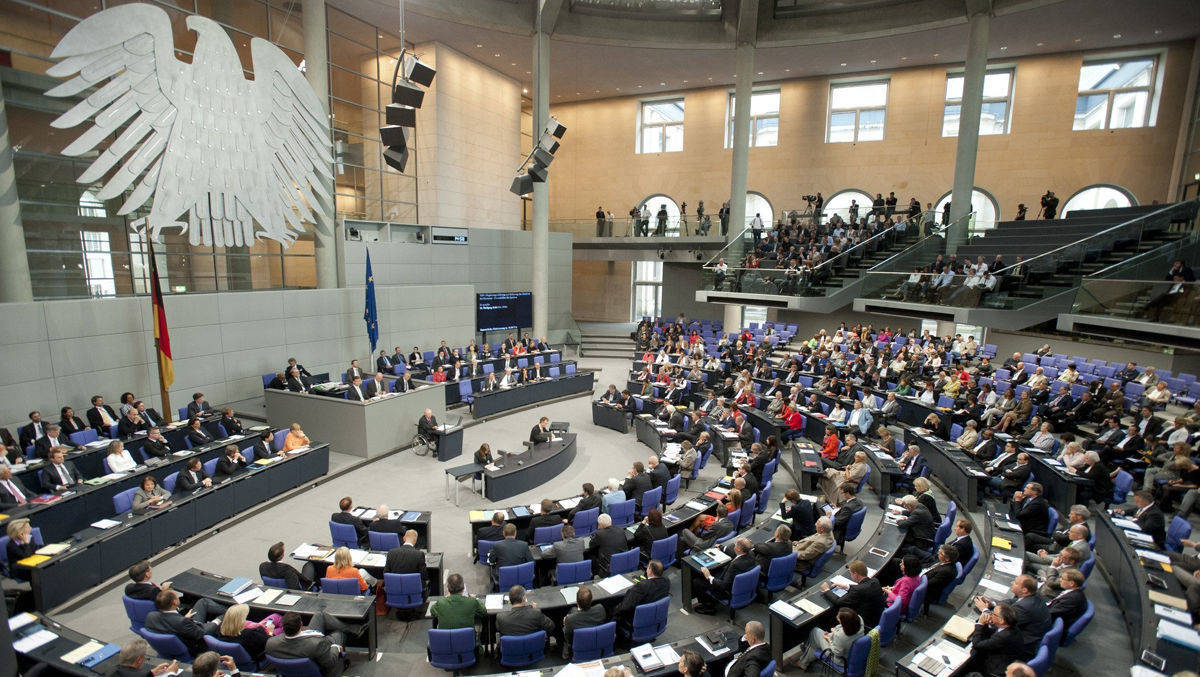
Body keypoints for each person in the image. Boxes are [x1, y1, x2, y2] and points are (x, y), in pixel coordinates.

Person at [264, 611, 355, 677]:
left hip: (294, 665)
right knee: (338, 634)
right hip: (319, 665)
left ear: (283, 628)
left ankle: (356, 629)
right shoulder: (317, 644)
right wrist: (336, 648)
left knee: (319, 615)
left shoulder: (270, 643)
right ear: (301, 625)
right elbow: (330, 662)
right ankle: (342, 666)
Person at [145, 589, 222, 657]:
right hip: (195, 645)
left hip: (185, 630)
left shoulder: (151, 616)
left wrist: (183, 618)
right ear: (174, 602)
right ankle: (230, 610)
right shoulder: (181, 622)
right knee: (223, 617)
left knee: (203, 602)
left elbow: (171, 624)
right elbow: (202, 632)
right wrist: (216, 621)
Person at [695, 537, 758, 614]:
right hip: (740, 585)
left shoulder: (735, 565)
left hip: (727, 590)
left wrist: (709, 576)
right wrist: (722, 547)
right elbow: (737, 555)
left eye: (735, 545)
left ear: (739, 549)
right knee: (716, 570)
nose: (734, 545)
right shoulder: (750, 553)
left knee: (697, 581)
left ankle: (708, 606)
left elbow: (723, 585)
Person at [788, 607, 863, 671]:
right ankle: (805, 656)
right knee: (815, 638)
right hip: (850, 649)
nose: (837, 617)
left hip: (839, 658)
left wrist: (829, 640)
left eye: (839, 618)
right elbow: (843, 629)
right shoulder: (859, 619)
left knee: (815, 631)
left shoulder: (841, 636)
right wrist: (835, 631)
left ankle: (804, 660)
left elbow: (837, 652)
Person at [964, 603, 1027, 677]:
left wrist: (980, 624)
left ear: (1001, 620)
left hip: (994, 671)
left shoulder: (1004, 636)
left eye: (993, 614)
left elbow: (977, 644)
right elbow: (991, 633)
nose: (990, 614)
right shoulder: (1009, 627)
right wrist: (985, 624)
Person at [823, 560, 886, 627]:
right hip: (878, 617)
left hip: (865, 623)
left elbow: (838, 602)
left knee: (837, 610)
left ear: (855, 574)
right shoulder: (875, 581)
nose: (851, 576)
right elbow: (864, 588)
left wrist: (826, 590)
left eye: (851, 573)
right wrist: (847, 586)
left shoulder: (857, 590)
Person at [562, 585, 606, 660]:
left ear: (577, 603)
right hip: (597, 646)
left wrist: (565, 624)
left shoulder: (570, 619)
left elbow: (568, 638)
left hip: (579, 649)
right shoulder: (600, 609)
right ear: (591, 600)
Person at [110, 638, 179, 677]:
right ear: (139, 660)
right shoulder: (140, 675)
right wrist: (171, 673)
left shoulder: (112, 670)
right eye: (144, 657)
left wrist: (152, 673)